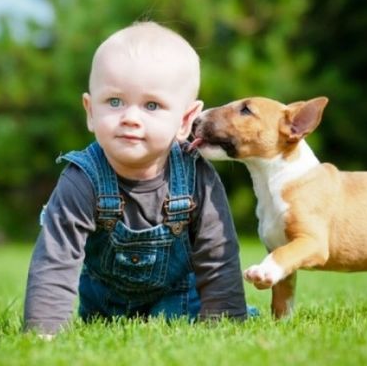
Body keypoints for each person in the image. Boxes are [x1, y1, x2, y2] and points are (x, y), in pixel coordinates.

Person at [24, 21, 248, 336]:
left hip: (182, 306)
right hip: (105, 313)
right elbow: (56, 259)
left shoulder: (195, 175)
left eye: (151, 105)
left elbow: (217, 256)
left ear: (185, 120)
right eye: (114, 102)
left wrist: (227, 323)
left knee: (235, 312)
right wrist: (43, 334)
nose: (130, 117)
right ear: (90, 111)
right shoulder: (81, 179)